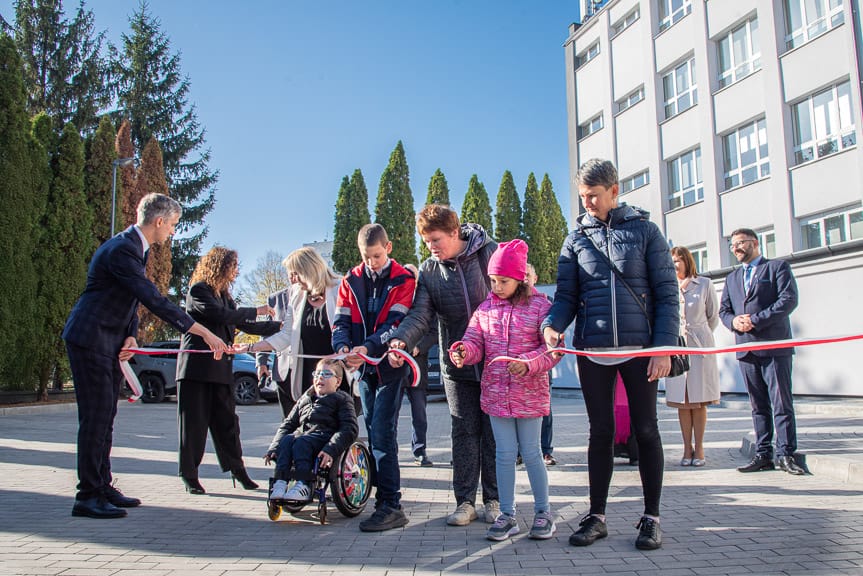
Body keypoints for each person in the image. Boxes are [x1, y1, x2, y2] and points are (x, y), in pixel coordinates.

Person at [62, 193, 229, 519]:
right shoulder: (122, 249)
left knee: (106, 416)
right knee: (95, 418)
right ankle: (87, 495)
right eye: (173, 225)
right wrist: (204, 332)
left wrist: (131, 333)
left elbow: (129, 298)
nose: (173, 231)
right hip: (90, 338)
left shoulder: (137, 249)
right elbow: (152, 298)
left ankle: (102, 485)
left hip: (110, 341)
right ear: (159, 221)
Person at [541, 159, 678, 551]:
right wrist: (551, 325)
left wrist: (663, 348)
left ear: (614, 191)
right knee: (600, 432)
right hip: (593, 351)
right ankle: (596, 516)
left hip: (641, 351)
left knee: (646, 430)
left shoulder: (646, 232)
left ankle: (651, 518)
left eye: (594, 196)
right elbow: (566, 296)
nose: (587, 203)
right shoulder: (575, 240)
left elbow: (667, 294)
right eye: (583, 197)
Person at [388, 204, 500, 527]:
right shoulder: (429, 270)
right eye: (426, 242)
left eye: (435, 240)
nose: (431, 247)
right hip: (457, 366)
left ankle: (494, 500)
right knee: (463, 432)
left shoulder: (489, 252)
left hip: (495, 363)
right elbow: (421, 315)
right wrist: (401, 340)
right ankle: (465, 502)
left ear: (455, 232)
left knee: (494, 433)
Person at [449, 239, 560, 541]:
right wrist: (462, 351)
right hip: (496, 395)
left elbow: (552, 350)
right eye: (493, 280)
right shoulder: (485, 309)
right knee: (504, 455)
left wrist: (528, 363)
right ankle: (507, 515)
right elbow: (473, 340)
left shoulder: (541, 307)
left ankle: (543, 513)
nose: (496, 287)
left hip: (529, 396)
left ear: (520, 278)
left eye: (503, 281)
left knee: (533, 453)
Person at [177, 247, 280, 495]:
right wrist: (256, 310)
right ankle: (189, 475)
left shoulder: (224, 296)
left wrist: (280, 327)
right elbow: (221, 316)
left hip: (221, 370)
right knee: (194, 425)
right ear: (220, 266)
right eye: (233, 266)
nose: (236, 272)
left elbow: (241, 322)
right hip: (196, 370)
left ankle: (238, 470)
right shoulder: (199, 291)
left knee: (228, 424)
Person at [332, 223, 415, 532]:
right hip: (364, 369)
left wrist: (366, 348)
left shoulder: (404, 279)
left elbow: (396, 324)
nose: (371, 262)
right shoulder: (349, 280)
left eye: (377, 256)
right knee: (373, 430)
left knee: (382, 432)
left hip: (390, 367)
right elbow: (340, 321)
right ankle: (381, 499)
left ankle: (391, 504)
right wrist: (343, 349)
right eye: (366, 256)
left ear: (388, 248)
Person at [719, 228, 804, 475]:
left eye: (740, 243)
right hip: (746, 349)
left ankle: (785, 454)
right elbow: (724, 310)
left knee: (781, 403)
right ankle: (763, 454)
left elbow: (788, 300)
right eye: (732, 245)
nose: (735, 248)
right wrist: (734, 322)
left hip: (774, 347)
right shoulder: (732, 278)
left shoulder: (777, 268)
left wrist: (755, 320)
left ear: (755, 243)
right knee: (758, 405)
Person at [249, 248, 341, 417]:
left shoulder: (340, 288)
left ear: (309, 269)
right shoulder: (297, 295)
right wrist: (250, 348)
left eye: (296, 274)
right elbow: (286, 335)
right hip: (305, 372)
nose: (294, 279)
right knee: (304, 424)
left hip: (336, 374)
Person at [264, 358, 358, 501]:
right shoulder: (305, 399)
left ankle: (304, 484)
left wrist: (330, 449)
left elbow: (349, 428)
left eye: (326, 374)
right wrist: (273, 448)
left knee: (301, 442)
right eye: (317, 373)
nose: (320, 377)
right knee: (287, 440)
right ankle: (280, 482)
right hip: (303, 436)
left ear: (338, 382)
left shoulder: (341, 399)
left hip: (325, 438)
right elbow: (288, 424)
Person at [666, 246, 720, 467]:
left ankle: (699, 448)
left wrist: (701, 335)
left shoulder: (704, 284)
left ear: (687, 261)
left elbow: (713, 316)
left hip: (699, 346)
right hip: (676, 346)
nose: (674, 265)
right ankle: (686, 448)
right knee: (682, 401)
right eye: (671, 261)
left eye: (678, 260)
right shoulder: (667, 287)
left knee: (698, 400)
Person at [400, 263, 435, 467]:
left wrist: (419, 347)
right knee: (391, 414)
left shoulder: (425, 302)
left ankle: (419, 450)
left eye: (413, 277)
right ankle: (392, 451)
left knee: (419, 414)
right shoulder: (396, 300)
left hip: (417, 368)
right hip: (395, 367)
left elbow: (433, 332)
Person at [255, 268, 299, 418]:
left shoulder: (314, 295)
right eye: (290, 274)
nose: (293, 277)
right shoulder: (275, 299)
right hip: (283, 368)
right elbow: (267, 331)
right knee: (288, 419)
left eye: (296, 273)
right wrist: (262, 362)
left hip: (307, 366)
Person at [526, 262, 556, 466]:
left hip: (542, 365)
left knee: (545, 410)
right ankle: (520, 452)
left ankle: (546, 451)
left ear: (535, 279)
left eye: (528, 275)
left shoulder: (546, 302)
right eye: (521, 275)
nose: (524, 279)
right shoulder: (510, 303)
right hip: (519, 366)